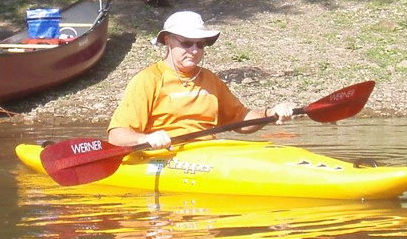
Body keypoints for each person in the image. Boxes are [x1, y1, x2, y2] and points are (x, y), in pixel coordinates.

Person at [108, 11, 295, 149]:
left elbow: (241, 119)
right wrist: (144, 139)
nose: (195, 50)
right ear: (167, 41)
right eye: (187, 43)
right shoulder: (148, 80)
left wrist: (270, 113)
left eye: (200, 44)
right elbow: (116, 136)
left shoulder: (211, 80)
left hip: (207, 154)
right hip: (162, 155)